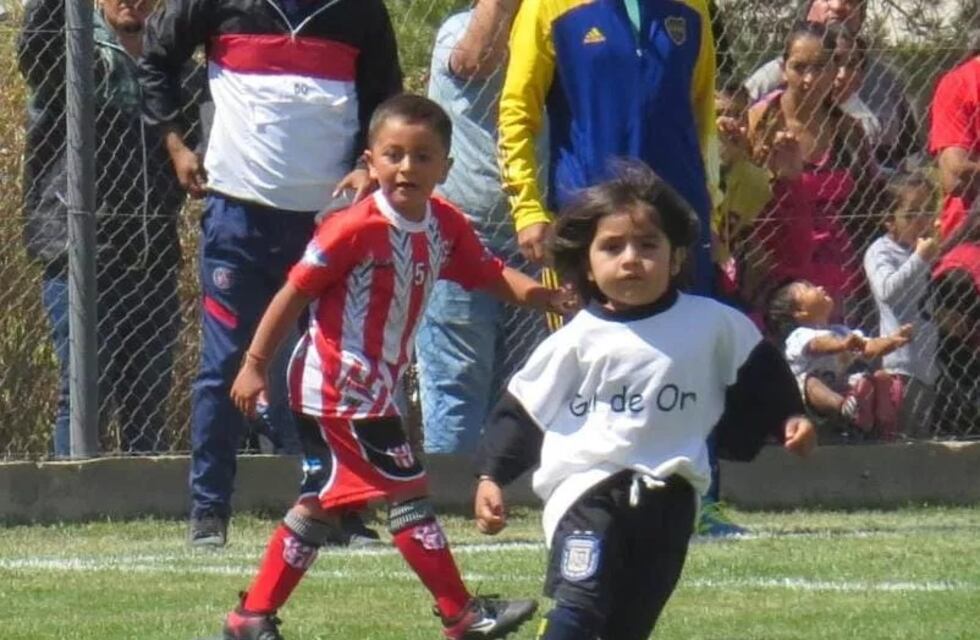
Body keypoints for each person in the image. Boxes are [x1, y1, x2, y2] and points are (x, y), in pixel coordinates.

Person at [219, 95, 567, 640]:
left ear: (445, 167)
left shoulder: (445, 223)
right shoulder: (351, 228)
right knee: (406, 492)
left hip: (371, 386)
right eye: (394, 154)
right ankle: (461, 615)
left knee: (322, 503)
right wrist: (255, 363)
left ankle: (250, 616)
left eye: (423, 156)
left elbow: (489, 272)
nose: (408, 167)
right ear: (372, 160)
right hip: (338, 382)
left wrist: (541, 297)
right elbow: (293, 292)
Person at [472, 162, 817, 640]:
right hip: (587, 492)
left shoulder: (713, 323)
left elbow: (761, 373)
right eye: (612, 248)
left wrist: (789, 415)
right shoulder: (576, 340)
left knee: (629, 625)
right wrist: (492, 475)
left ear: (675, 258)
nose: (631, 259)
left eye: (647, 245)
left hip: (671, 496)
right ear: (587, 265)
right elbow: (523, 410)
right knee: (579, 603)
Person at [139, 0, 401, 546]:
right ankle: (209, 512)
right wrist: (176, 144)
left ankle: (339, 509)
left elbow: (386, 100)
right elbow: (154, 57)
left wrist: (362, 167)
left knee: (333, 368)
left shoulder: (361, 12)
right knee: (225, 366)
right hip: (237, 217)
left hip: (329, 224)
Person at [18, 0, 205, 456]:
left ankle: (149, 505)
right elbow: (34, 45)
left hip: (154, 253)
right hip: (79, 253)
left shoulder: (178, 71)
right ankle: (76, 495)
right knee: (83, 395)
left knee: (148, 401)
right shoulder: (74, 55)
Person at [498, 0, 718, 295]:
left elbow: (703, 115)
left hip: (678, 222)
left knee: (689, 338)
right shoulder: (547, 6)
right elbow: (516, 115)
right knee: (598, 338)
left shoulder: (692, 7)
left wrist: (712, 209)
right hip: (590, 221)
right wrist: (526, 210)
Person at [418, 0, 548, 454]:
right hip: (463, 240)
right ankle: (450, 502)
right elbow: (475, 61)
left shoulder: (554, 32)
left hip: (536, 243)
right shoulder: (459, 33)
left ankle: (500, 494)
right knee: (456, 385)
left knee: (524, 386)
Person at [746, 21, 876, 315]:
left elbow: (868, 201)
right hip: (770, 269)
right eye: (799, 67)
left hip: (836, 274)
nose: (809, 79)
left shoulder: (849, 132)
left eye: (821, 68)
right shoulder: (760, 123)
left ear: (835, 71)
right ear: (782, 68)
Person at [743, 0, 919, 171]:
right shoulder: (769, 81)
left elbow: (909, 156)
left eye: (851, 0)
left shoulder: (886, 80)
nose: (837, 6)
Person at [765, 279, 913, 440]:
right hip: (810, 403)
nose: (820, 286)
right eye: (808, 288)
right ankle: (845, 408)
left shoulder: (840, 330)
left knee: (878, 377)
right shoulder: (799, 335)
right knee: (810, 382)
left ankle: (882, 419)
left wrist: (892, 341)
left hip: (843, 388)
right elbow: (817, 345)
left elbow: (869, 347)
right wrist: (842, 345)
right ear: (800, 312)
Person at [862, 173, 940, 437]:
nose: (922, 221)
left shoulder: (922, 250)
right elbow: (887, 291)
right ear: (888, 219)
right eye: (911, 214)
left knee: (921, 437)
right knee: (901, 439)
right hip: (900, 365)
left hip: (927, 363)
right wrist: (919, 258)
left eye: (928, 211)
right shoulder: (880, 250)